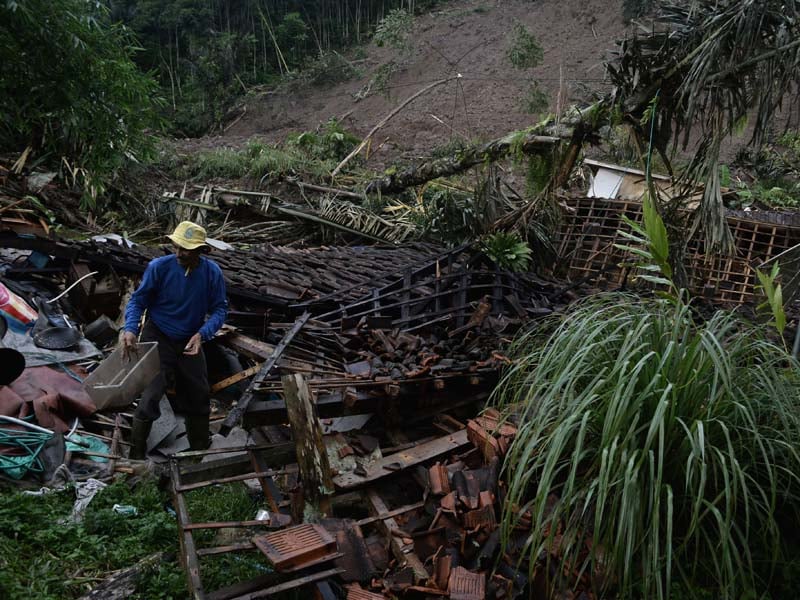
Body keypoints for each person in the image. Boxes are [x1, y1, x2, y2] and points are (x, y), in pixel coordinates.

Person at [120, 221, 228, 459]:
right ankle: (135, 457)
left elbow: (220, 309)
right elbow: (139, 301)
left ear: (202, 250)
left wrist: (203, 334)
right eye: (177, 246)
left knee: (199, 395)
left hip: (190, 339)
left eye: (186, 248)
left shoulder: (212, 274)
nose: (179, 252)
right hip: (158, 335)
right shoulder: (159, 267)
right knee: (150, 396)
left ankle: (198, 454)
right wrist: (129, 329)